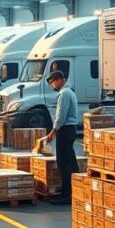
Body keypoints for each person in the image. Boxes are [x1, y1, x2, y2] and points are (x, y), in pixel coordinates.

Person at [43, 70, 79, 205]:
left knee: (63, 163)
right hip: (70, 129)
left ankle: (66, 195)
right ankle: (74, 190)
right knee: (70, 161)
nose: (53, 86)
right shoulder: (70, 92)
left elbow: (60, 117)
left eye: (52, 83)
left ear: (58, 80)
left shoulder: (64, 94)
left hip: (65, 129)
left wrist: (53, 132)